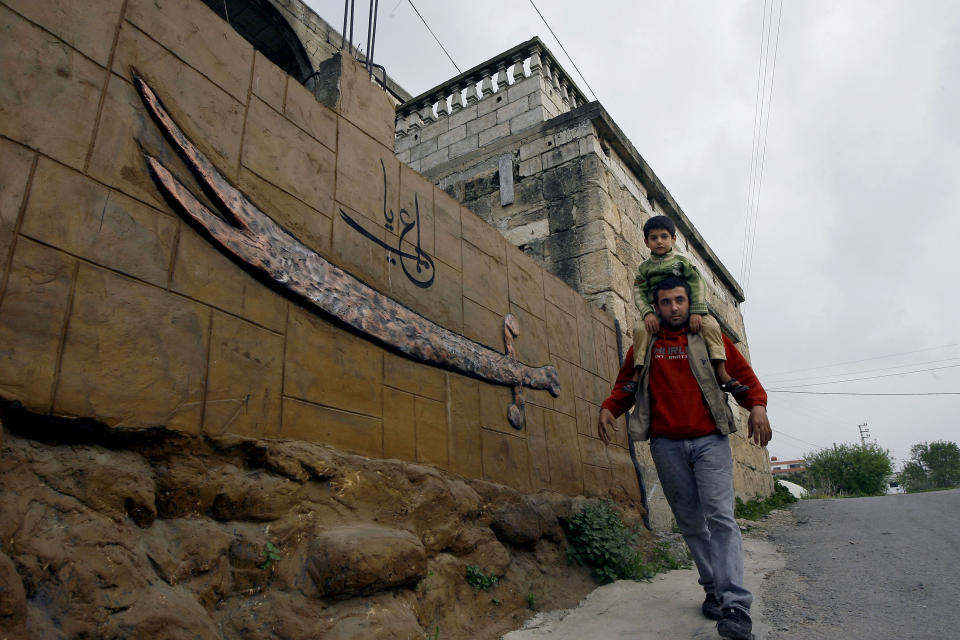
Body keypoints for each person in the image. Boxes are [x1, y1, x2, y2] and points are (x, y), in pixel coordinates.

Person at [598, 276, 772, 640]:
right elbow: (626, 384)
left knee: (720, 517)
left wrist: (756, 406)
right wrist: (610, 409)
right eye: (666, 302)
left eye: (680, 300)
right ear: (656, 306)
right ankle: (712, 588)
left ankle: (735, 605)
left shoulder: (708, 336)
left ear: (688, 301)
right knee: (692, 523)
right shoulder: (646, 343)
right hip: (666, 444)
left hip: (710, 440)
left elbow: (742, 376)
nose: (674, 307)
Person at [631, 216, 747, 394]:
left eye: (664, 236)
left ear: (674, 239)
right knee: (640, 329)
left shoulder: (682, 261)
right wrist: (648, 313)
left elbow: (697, 284)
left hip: (686, 312)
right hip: (660, 314)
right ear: (646, 242)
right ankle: (637, 374)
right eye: (653, 238)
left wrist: (696, 312)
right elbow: (639, 292)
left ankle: (721, 371)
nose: (659, 242)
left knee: (711, 325)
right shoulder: (644, 268)